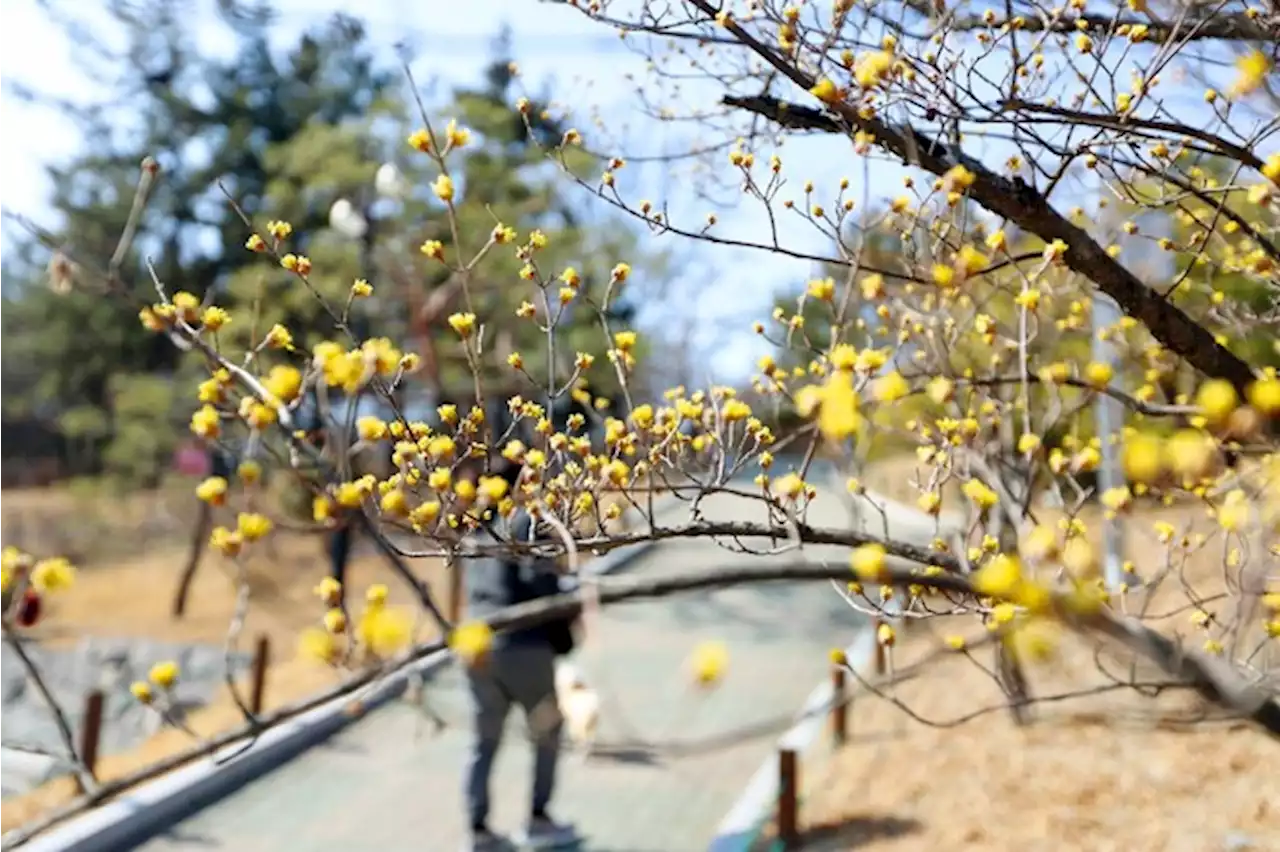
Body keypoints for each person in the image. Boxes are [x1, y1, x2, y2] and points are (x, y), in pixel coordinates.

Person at [461, 459, 581, 851]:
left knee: (484, 740)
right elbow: (539, 584)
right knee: (547, 731)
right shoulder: (526, 525)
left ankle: (478, 829)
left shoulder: (474, 529)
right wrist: (568, 588)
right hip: (523, 644)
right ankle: (538, 819)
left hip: (477, 645)